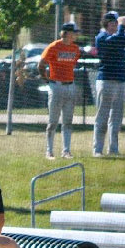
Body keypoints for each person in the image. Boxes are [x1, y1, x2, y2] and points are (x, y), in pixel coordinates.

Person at [92, 11, 125, 157]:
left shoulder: (119, 36)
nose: (115, 25)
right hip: (106, 80)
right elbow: (115, 40)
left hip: (120, 80)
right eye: (113, 23)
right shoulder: (101, 37)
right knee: (102, 117)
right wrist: (122, 27)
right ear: (106, 24)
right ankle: (97, 149)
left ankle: (113, 149)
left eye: (116, 23)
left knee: (116, 118)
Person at [39, 22, 82, 159]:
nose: (76, 35)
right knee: (53, 121)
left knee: (68, 121)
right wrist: (47, 80)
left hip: (70, 85)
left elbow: (72, 64)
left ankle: (66, 151)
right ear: (67, 33)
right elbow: (41, 64)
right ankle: (49, 151)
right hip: (56, 86)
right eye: (74, 32)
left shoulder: (75, 48)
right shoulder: (54, 46)